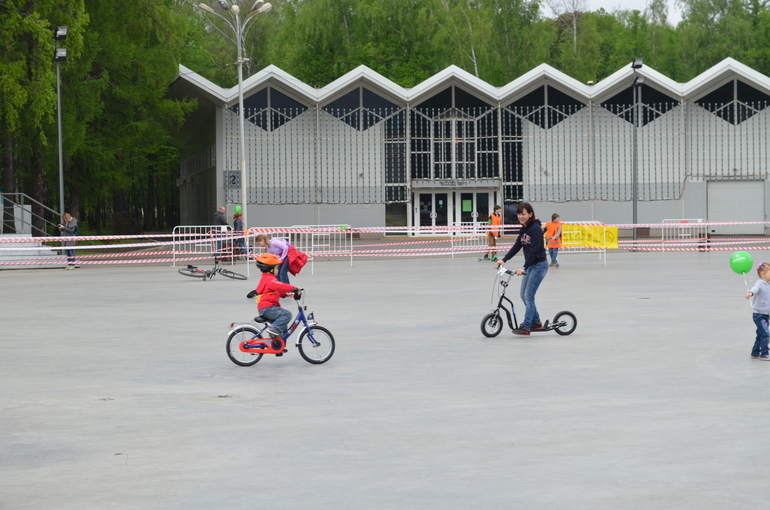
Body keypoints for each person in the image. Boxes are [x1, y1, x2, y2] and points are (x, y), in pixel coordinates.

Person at [496, 202, 548, 336]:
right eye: (519, 214)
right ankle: (536, 322)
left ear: (530, 214)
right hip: (531, 266)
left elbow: (534, 251)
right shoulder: (524, 228)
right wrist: (504, 259)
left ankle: (526, 326)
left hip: (538, 266)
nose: (521, 216)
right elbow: (517, 245)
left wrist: (524, 267)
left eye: (523, 214)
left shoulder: (535, 229)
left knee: (528, 296)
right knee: (523, 295)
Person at [255, 253, 302, 338]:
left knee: (283, 328)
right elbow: (280, 286)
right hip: (268, 308)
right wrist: (293, 288)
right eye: (276, 268)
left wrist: (284, 294)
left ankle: (278, 348)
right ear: (271, 270)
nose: (278, 270)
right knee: (287, 315)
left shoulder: (266, 278)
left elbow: (273, 291)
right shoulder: (270, 279)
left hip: (265, 308)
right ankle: (273, 329)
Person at [745, 262, 770, 360]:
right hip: (759, 315)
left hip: (766, 314)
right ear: (763, 274)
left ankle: (755, 352)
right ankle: (764, 354)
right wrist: (751, 293)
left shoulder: (768, 284)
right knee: (765, 334)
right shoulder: (760, 283)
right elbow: (755, 288)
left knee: (760, 333)